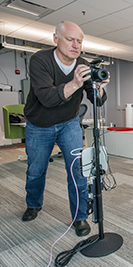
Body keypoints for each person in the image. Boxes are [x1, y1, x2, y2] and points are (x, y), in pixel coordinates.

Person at [22, 21, 108, 237]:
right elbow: (48, 98)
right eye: (70, 39)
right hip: (39, 124)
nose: (75, 45)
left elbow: (95, 99)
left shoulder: (83, 64)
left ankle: (80, 217)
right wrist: (75, 84)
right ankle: (33, 204)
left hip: (69, 123)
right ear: (55, 39)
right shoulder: (40, 60)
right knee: (36, 171)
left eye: (79, 41)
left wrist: (98, 91)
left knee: (78, 171)